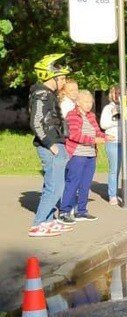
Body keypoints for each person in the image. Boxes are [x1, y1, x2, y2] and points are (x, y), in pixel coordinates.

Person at [28, 54, 74, 236]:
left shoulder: (48, 95)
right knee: (54, 187)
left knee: (55, 185)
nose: (63, 81)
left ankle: (48, 221)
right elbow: (37, 122)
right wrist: (50, 144)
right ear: (49, 77)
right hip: (51, 144)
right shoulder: (41, 95)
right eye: (61, 78)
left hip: (57, 142)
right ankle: (38, 223)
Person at [61, 90, 111, 223]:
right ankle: (65, 211)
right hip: (77, 154)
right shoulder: (72, 116)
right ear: (78, 102)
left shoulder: (91, 116)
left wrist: (106, 137)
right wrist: (94, 140)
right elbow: (74, 135)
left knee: (85, 184)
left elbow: (97, 132)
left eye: (91, 102)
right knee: (73, 182)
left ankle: (81, 211)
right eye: (86, 102)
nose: (89, 104)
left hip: (90, 154)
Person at [100, 85, 127, 206]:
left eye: (121, 93)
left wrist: (122, 108)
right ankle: (112, 195)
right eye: (115, 93)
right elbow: (103, 124)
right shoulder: (108, 108)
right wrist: (116, 121)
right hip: (114, 142)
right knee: (114, 170)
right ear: (111, 95)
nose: (117, 96)